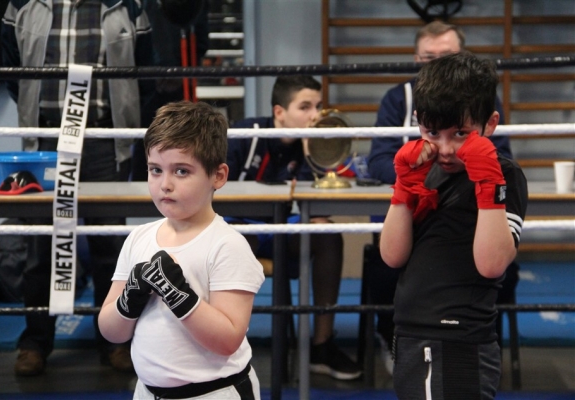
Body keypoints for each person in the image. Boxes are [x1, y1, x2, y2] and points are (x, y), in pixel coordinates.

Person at [1, 0, 153, 376]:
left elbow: (147, 71)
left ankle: (115, 342)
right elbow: (10, 67)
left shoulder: (128, 5)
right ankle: (34, 343)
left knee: (109, 248)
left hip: (103, 135)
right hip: (47, 138)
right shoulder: (23, 3)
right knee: (41, 245)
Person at [365, 20, 519, 375]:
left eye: (461, 134)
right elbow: (392, 256)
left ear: (488, 125)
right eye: (433, 132)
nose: (446, 148)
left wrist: (489, 180)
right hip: (411, 331)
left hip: (463, 335)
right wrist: (404, 184)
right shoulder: (422, 161)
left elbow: (493, 264)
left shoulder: (506, 176)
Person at [98, 101, 264, 399]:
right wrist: (129, 300)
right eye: (155, 170)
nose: (165, 185)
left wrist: (178, 295)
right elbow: (112, 331)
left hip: (216, 392)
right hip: (148, 391)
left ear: (218, 176)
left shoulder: (227, 245)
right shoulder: (139, 238)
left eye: (182, 171)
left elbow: (227, 341)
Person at [227, 75, 362, 381]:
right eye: (305, 107)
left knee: (327, 236)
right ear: (279, 112)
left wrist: (313, 153)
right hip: (237, 231)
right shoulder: (243, 135)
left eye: (318, 106)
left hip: (281, 232)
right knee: (235, 239)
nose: (315, 115)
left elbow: (320, 206)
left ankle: (322, 346)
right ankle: (225, 343)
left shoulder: (313, 144)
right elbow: (212, 193)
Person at [130, 0, 210, 181]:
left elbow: (201, 37)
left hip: (179, 79)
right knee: (146, 149)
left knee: (182, 147)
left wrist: (185, 71)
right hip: (149, 83)